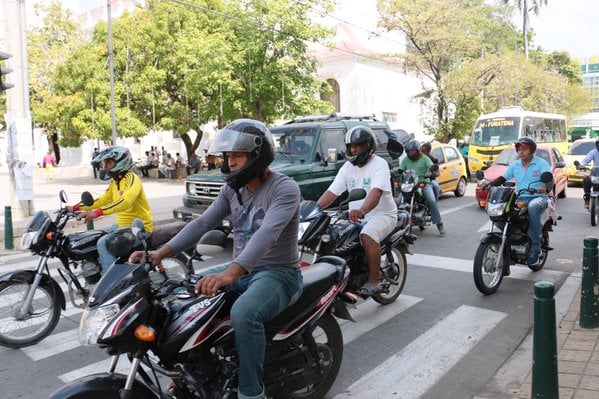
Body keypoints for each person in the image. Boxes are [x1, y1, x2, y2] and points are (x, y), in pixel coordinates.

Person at [129, 119, 302, 399]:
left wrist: (230, 273)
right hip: (242, 272)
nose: (230, 163)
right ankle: (196, 371)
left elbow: (267, 234)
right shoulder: (231, 190)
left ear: (257, 156)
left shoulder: (284, 189)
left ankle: (251, 393)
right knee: (186, 295)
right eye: (228, 156)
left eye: (237, 156)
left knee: (244, 314)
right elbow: (202, 224)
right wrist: (160, 252)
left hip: (278, 273)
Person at [317, 125, 397, 297]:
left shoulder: (379, 164)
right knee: (331, 238)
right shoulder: (347, 167)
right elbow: (332, 193)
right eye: (351, 146)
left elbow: (375, 194)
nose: (354, 149)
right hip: (356, 217)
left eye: (358, 146)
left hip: (382, 215)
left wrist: (361, 210)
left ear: (368, 146)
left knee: (367, 235)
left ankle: (374, 280)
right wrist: (314, 210)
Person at [68, 146, 154, 272]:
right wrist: (75, 207)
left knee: (102, 243)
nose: (106, 166)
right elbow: (102, 200)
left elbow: (125, 202)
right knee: (93, 236)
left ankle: (111, 285)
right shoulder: (115, 182)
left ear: (120, 162)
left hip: (139, 228)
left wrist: (97, 213)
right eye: (105, 163)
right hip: (122, 225)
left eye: (109, 162)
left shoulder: (132, 179)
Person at [478, 137, 552, 267]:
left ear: (532, 150)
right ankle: (511, 240)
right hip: (521, 197)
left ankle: (535, 249)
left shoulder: (541, 164)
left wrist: (546, 188)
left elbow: (549, 179)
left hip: (538, 197)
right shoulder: (515, 165)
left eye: (524, 149)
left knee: (533, 208)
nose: (521, 152)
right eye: (519, 149)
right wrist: (489, 184)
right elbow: (503, 178)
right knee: (502, 212)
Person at [399, 140, 446, 235]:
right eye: (409, 151)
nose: (410, 153)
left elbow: (433, 169)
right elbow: (400, 169)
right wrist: (396, 172)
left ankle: (439, 223)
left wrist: (433, 173)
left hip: (423, 183)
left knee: (431, 200)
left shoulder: (425, 159)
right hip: (410, 185)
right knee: (399, 202)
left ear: (417, 151)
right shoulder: (406, 160)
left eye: (412, 151)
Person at [576, 138, 599, 209]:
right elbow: (586, 160)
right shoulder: (594, 152)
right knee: (586, 179)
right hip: (596, 173)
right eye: (598, 144)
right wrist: (580, 165)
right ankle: (587, 199)